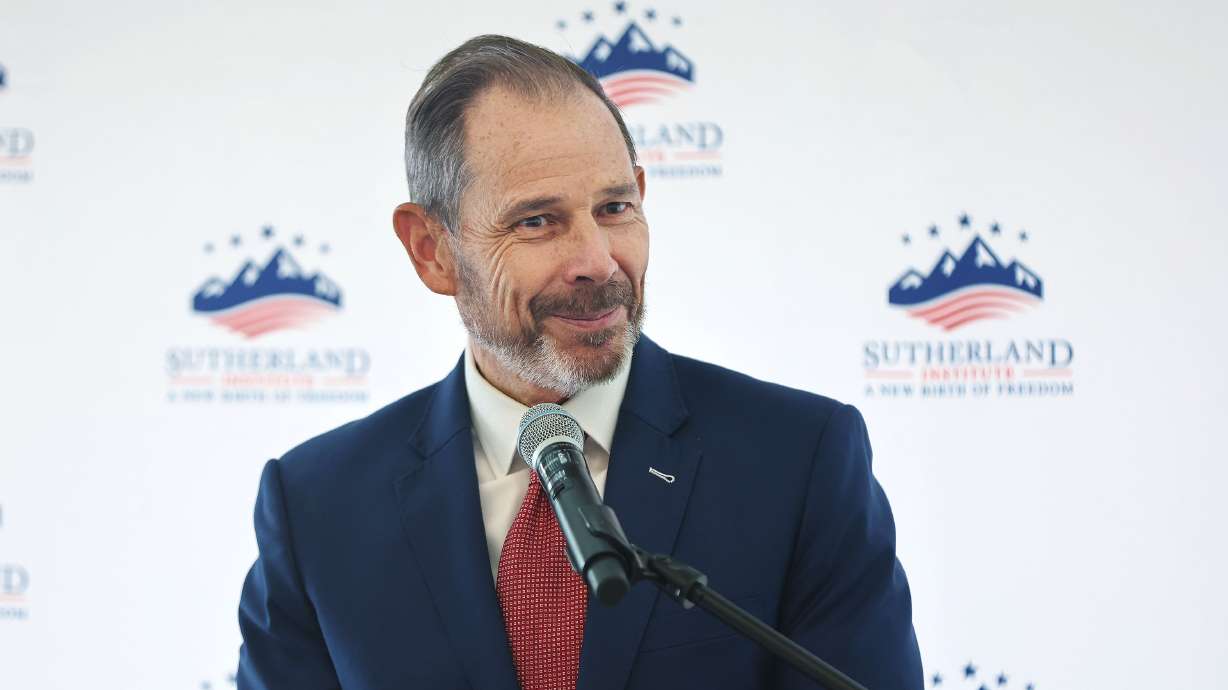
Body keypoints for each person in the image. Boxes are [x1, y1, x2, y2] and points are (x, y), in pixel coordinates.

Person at [237, 34, 923, 690]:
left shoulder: (799, 462)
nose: (598, 261)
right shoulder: (317, 507)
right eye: (537, 221)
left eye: (615, 206)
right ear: (431, 250)